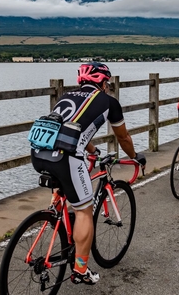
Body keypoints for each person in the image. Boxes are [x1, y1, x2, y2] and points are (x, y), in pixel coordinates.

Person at [29, 62, 146, 285]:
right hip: (66, 157)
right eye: (107, 84)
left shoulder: (66, 97)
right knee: (84, 211)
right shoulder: (109, 102)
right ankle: (80, 271)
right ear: (102, 83)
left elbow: (71, 128)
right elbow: (123, 138)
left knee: (67, 192)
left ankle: (58, 213)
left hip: (39, 153)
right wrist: (134, 156)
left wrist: (93, 150)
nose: (108, 88)